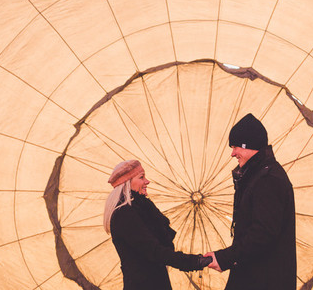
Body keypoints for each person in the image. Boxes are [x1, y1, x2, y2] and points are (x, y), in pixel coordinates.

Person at [205, 113, 296, 289]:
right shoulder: (256, 175)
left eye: (235, 146)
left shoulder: (268, 179)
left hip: (264, 280)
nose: (232, 153)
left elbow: (263, 234)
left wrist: (225, 258)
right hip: (253, 275)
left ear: (249, 145)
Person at [104, 159, 212, 289]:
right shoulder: (124, 214)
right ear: (127, 183)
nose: (147, 181)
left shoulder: (143, 208)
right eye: (141, 177)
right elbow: (155, 251)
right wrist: (195, 261)